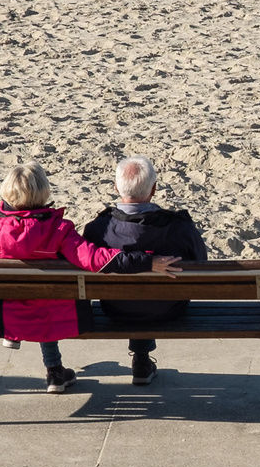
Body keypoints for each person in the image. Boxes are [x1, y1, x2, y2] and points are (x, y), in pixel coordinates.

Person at [0, 162, 181, 393]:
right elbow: (96, 260)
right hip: (56, 313)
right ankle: (56, 371)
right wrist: (147, 262)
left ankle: (53, 370)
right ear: (44, 191)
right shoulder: (58, 230)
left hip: (6, 315)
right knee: (47, 298)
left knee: (35, 296)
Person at [82, 155, 208, 386]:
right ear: (154, 189)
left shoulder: (96, 230)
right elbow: (202, 264)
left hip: (115, 309)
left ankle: (141, 358)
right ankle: (141, 359)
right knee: (149, 295)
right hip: (169, 309)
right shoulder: (180, 228)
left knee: (133, 294)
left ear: (116, 187)